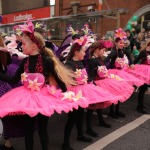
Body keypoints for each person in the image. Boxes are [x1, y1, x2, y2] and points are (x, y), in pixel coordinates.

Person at [0, 20, 79, 150]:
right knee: (28, 130)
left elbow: (58, 78)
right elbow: (13, 80)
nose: (21, 46)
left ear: (34, 46)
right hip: (26, 97)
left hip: (43, 97)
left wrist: (66, 93)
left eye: (24, 44)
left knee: (42, 129)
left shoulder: (47, 60)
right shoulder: (25, 61)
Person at [62, 37, 119, 150]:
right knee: (72, 119)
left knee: (79, 116)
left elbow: (85, 74)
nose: (85, 53)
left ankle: (80, 134)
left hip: (83, 90)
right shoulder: (69, 64)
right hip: (74, 93)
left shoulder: (80, 61)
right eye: (83, 51)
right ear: (76, 52)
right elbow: (65, 79)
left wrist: (86, 80)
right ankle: (65, 143)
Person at [105, 29, 144, 118]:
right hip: (114, 73)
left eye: (123, 43)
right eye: (120, 43)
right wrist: (103, 68)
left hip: (121, 72)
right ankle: (112, 111)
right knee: (114, 92)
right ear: (116, 43)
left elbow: (129, 56)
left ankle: (117, 110)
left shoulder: (123, 51)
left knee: (120, 91)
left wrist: (131, 63)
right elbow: (106, 59)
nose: (122, 44)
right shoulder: (114, 51)